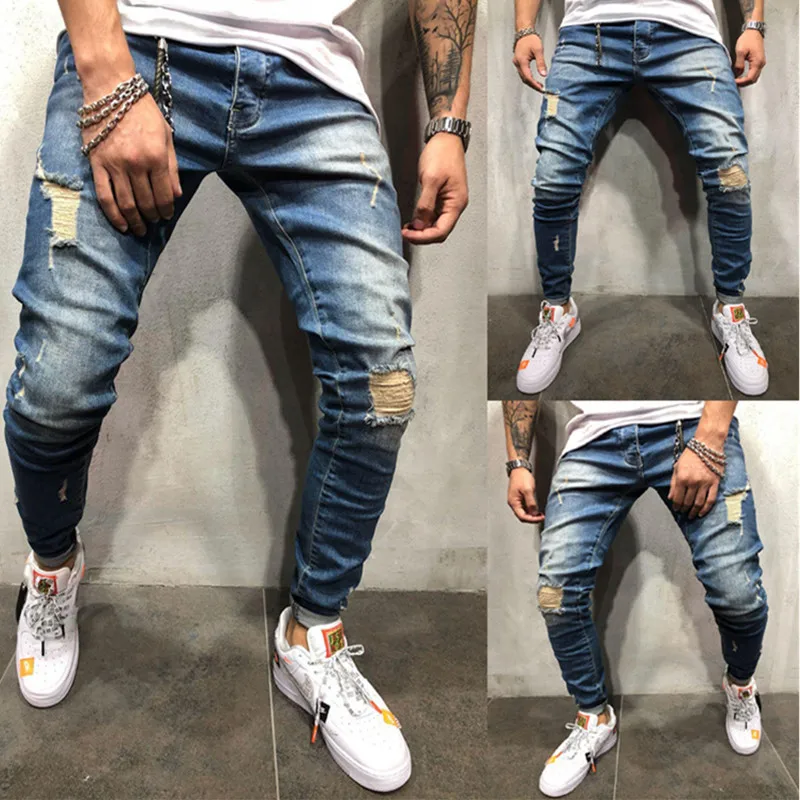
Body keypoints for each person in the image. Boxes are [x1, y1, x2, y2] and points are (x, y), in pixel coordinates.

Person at [7, 0, 477, 792]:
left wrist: (449, 123)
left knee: (381, 388)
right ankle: (53, 569)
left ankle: (312, 634)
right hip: (140, 45)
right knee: (57, 384)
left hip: (317, 81)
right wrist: (105, 67)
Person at [502, 400, 768, 798]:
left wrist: (711, 436)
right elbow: (521, 383)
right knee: (556, 594)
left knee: (738, 593)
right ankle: (594, 717)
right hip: (593, 441)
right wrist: (518, 463)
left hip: (691, 425)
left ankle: (741, 686)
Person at [511, 0, 770, 396]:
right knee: (553, 179)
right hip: (589, 33)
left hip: (689, 32)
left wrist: (754, 24)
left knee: (729, 174)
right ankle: (558, 311)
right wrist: (525, 28)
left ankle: (730, 310)